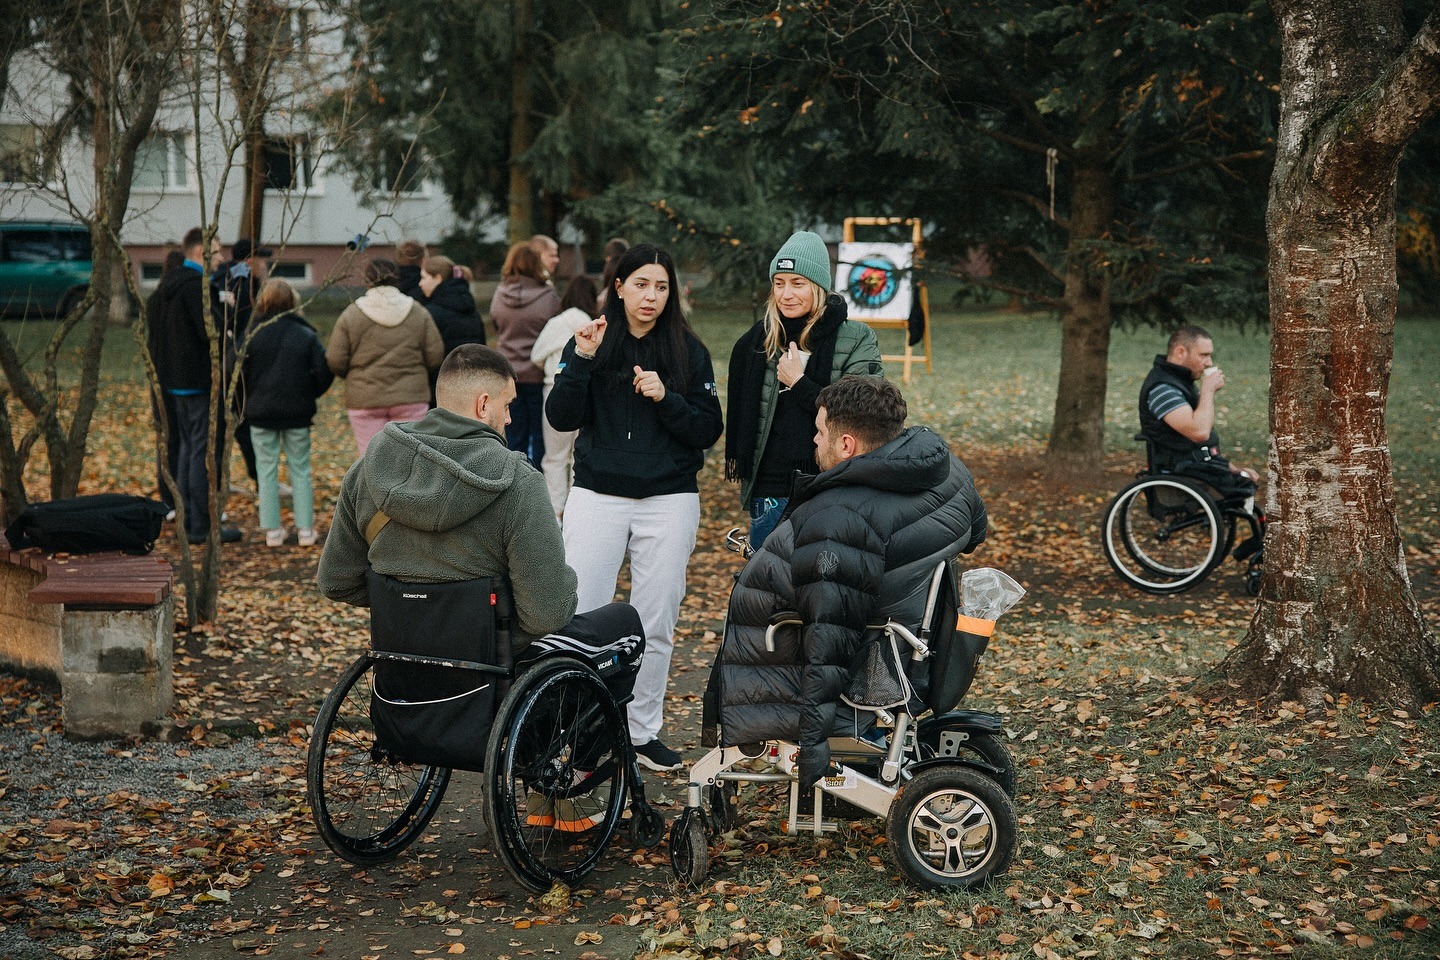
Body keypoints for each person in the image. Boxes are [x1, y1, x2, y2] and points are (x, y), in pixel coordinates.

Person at [707, 375, 988, 789]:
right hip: (909, 633)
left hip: (832, 652)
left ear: (847, 445)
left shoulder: (839, 515)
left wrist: (815, 742)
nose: (814, 443)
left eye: (819, 432)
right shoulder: (944, 468)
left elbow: (827, 636)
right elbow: (975, 533)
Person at [546, 243, 724, 772]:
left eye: (661, 287)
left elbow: (707, 428)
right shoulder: (593, 341)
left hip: (668, 500)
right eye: (641, 284)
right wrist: (579, 360)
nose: (651, 296)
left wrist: (666, 396)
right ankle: (572, 729)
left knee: (656, 619)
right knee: (582, 616)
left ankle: (640, 731)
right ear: (618, 286)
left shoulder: (688, 352)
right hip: (598, 496)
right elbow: (560, 416)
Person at [318, 344, 580, 645]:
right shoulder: (520, 482)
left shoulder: (367, 470)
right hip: (490, 659)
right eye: (507, 405)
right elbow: (546, 614)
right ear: (483, 405)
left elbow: (336, 580)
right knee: (620, 623)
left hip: (399, 654)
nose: (509, 419)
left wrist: (411, 607)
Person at [725, 230, 883, 549]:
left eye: (798, 283)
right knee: (767, 591)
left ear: (818, 287)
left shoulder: (856, 338)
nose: (786, 294)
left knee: (822, 589)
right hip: (770, 491)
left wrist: (800, 384)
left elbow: (864, 415)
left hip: (833, 487)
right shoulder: (756, 343)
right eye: (779, 283)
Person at [148, 227, 242, 545]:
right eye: (216, 253)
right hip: (196, 382)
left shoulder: (169, 285)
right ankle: (201, 524)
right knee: (200, 452)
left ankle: (190, 520)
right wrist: (226, 317)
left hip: (175, 382)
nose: (221, 260)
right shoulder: (194, 287)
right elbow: (210, 331)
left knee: (189, 448)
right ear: (201, 253)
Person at [241, 278, 333, 548]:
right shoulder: (305, 335)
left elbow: (236, 373)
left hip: (260, 412)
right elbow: (324, 370)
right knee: (300, 469)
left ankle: (272, 531)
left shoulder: (252, 335)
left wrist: (246, 402)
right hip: (297, 412)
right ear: (293, 302)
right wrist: (310, 394)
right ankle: (305, 530)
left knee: (265, 470)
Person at [327, 257, 445, 456]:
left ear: (367, 280)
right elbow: (435, 356)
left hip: (365, 397)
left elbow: (335, 359)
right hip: (410, 396)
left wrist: (354, 375)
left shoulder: (351, 314)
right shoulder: (418, 312)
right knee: (409, 458)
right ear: (396, 279)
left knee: (371, 458)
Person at [1139, 324, 1260, 509]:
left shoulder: (1182, 382)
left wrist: (1232, 468)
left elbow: (1201, 445)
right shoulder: (1163, 389)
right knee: (1240, 490)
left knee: (1244, 481)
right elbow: (1199, 432)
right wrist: (1208, 390)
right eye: (1203, 355)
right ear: (1181, 352)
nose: (1209, 363)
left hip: (1196, 468)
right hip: (1180, 475)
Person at [530, 275, 598, 518]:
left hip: (553, 388)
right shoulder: (593, 325)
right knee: (577, 454)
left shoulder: (557, 322)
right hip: (584, 391)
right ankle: (576, 509)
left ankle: (555, 510)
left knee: (554, 456)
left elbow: (536, 354)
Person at [491, 242, 561, 469]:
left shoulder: (499, 293)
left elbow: (495, 325)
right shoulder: (548, 295)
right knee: (540, 436)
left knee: (513, 435)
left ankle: (513, 481)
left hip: (508, 372)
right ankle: (537, 483)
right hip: (537, 373)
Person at [225, 237, 272, 488]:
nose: (265, 265)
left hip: (235, 365)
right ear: (248, 260)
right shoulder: (242, 284)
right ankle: (258, 478)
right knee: (242, 423)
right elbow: (243, 328)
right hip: (237, 366)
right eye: (261, 259)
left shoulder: (234, 277)